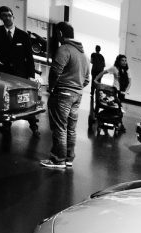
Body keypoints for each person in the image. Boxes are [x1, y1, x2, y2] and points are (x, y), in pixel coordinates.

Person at [40, 21, 89, 169]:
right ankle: (68, 158)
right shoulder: (84, 55)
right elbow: (87, 80)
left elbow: (55, 71)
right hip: (77, 95)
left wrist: (52, 87)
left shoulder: (64, 49)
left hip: (63, 93)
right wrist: (76, 87)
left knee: (60, 127)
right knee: (71, 128)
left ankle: (58, 159)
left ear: (60, 33)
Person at [0, 5, 39, 136]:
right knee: (6, 99)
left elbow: (29, 57)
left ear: (13, 16)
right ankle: (6, 125)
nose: (7, 18)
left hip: (20, 73)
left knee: (25, 100)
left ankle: (34, 126)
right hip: (4, 71)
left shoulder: (23, 35)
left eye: (9, 15)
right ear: (0, 17)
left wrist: (31, 76)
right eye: (4, 16)